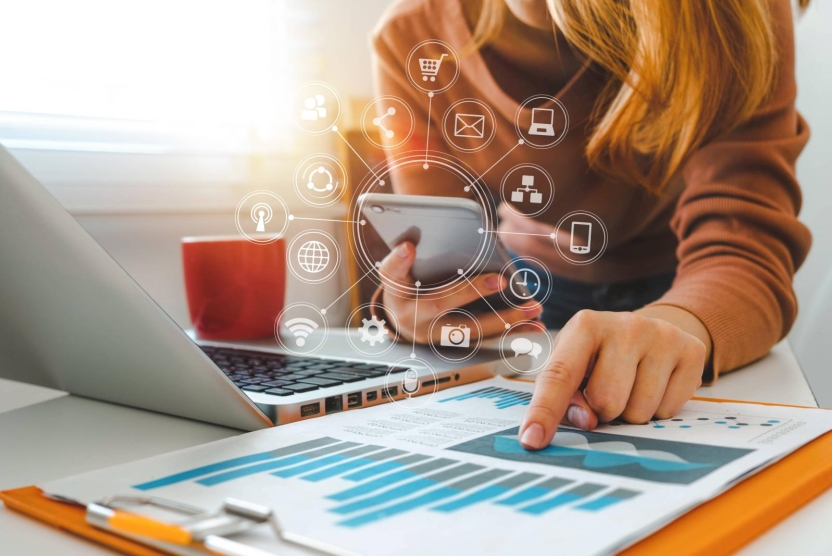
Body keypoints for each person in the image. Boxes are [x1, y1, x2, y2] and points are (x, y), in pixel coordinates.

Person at [369, 0, 811, 450]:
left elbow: (745, 245)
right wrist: (410, 309)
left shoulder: (734, 12)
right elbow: (439, 251)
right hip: (524, 291)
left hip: (690, 286)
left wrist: (678, 322)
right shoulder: (411, 35)